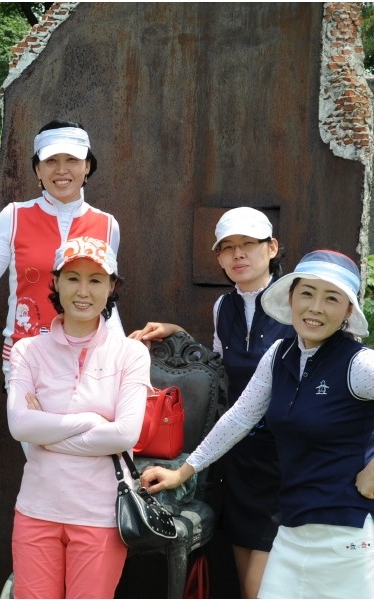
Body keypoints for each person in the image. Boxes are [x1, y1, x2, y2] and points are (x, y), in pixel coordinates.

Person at [140, 249, 374, 599]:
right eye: (307, 293)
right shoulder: (280, 355)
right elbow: (240, 417)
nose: (315, 307)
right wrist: (184, 472)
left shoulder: (359, 364)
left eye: (331, 298)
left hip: (348, 530)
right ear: (291, 298)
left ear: (348, 311)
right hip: (292, 526)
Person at [128, 207, 291, 598]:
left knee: (265, 580)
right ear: (218, 257)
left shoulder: (295, 302)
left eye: (248, 244)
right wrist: (178, 333)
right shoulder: (224, 306)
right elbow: (221, 365)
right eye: (227, 247)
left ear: (271, 248)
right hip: (236, 450)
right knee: (243, 562)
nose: (238, 254)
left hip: (283, 454)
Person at [0, 120, 125, 387]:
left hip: (92, 362)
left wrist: (123, 357)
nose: (61, 170)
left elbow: (106, 302)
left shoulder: (107, 225)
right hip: (27, 361)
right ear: (38, 169)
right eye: (51, 161)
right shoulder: (15, 216)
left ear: (87, 166)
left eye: (72, 159)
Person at [6, 236, 151, 598]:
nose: (83, 291)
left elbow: (124, 435)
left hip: (100, 515)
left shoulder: (131, 353)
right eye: (72, 278)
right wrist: (93, 423)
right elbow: (20, 425)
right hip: (36, 510)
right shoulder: (27, 350)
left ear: (111, 286)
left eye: (95, 280)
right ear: (55, 282)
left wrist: (47, 433)